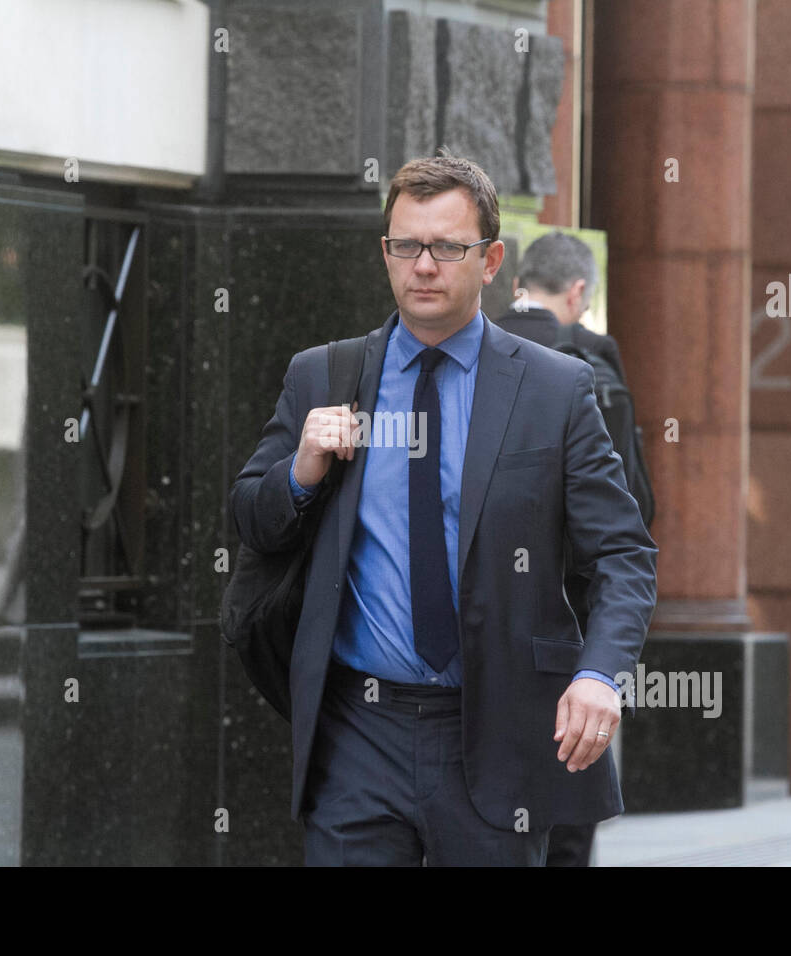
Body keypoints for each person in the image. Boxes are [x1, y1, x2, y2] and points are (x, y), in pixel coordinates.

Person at [230, 153, 657, 866]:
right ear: (386, 253)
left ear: (490, 261)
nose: (423, 266)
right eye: (406, 245)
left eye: (447, 247)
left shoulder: (555, 391)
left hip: (497, 730)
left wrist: (599, 674)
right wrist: (300, 471)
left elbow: (623, 553)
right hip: (357, 735)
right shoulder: (325, 375)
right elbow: (250, 519)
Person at [495, 230, 629, 867]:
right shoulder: (589, 370)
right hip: (573, 641)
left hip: (471, 643)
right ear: (578, 291)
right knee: (566, 827)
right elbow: (629, 524)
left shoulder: (463, 353)